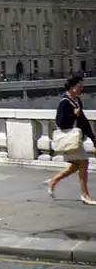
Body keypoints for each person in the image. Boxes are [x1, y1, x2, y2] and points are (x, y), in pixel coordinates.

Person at [44, 76, 96, 205]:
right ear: (72, 87)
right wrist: (74, 114)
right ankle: (85, 195)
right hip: (69, 137)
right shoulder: (64, 102)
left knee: (76, 166)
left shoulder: (77, 101)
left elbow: (83, 121)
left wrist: (92, 137)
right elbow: (60, 122)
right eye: (79, 85)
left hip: (75, 138)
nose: (81, 88)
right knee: (83, 162)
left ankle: (53, 181)